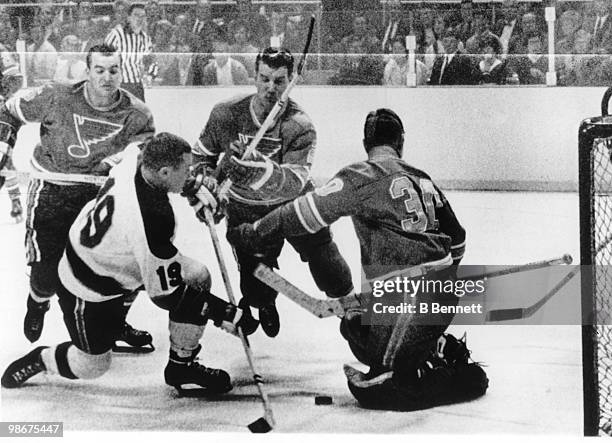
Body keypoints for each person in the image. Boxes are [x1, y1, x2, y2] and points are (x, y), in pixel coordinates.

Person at [227, 108, 488, 411]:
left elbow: (300, 213)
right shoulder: (422, 178)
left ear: (366, 143)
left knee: (383, 389)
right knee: (355, 331)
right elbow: (458, 238)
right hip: (430, 291)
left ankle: (457, 371)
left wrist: (254, 232)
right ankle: (427, 344)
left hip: (410, 296)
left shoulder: (360, 175)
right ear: (400, 141)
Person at [1, 133, 258, 392]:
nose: (190, 173)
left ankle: (182, 366)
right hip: (88, 286)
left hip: (118, 256)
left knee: (198, 276)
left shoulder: (136, 155)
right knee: (92, 366)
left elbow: (149, 160)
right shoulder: (151, 220)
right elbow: (165, 295)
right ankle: (41, 359)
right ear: (165, 172)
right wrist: (225, 314)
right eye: (186, 170)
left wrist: (190, 186)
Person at [0, 44, 155, 350]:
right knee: (46, 273)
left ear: (122, 72)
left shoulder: (137, 113)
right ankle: (38, 302)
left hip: (100, 197)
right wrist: (3, 147)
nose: (107, 78)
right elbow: (8, 110)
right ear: (87, 72)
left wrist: (117, 164)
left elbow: (144, 151)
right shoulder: (57, 97)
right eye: (99, 70)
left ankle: (114, 322)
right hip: (52, 192)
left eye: (113, 70)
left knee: (123, 267)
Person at [191, 47, 354, 337]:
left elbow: (293, 181)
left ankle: (352, 310)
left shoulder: (300, 125)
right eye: (264, 78)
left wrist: (258, 170)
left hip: (293, 207)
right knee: (255, 290)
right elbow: (200, 157)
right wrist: (206, 187)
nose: (270, 88)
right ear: (254, 77)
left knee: (329, 266)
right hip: (244, 208)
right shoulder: (226, 113)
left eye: (279, 81)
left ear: (290, 81)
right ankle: (264, 303)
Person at [104, 3, 153, 100]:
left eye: (142, 16)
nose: (139, 19)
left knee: (138, 114)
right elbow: (103, 57)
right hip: (119, 85)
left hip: (137, 86)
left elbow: (150, 60)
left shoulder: (145, 38)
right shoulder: (117, 34)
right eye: (136, 15)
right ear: (129, 17)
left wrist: (150, 75)